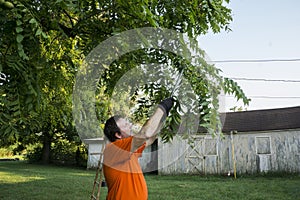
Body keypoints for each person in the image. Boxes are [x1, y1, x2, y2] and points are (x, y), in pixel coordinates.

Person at [103, 97, 174, 200]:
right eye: (126, 125)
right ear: (118, 134)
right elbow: (145, 134)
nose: (130, 125)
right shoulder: (113, 149)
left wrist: (162, 117)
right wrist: (162, 107)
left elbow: (150, 138)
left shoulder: (129, 150)